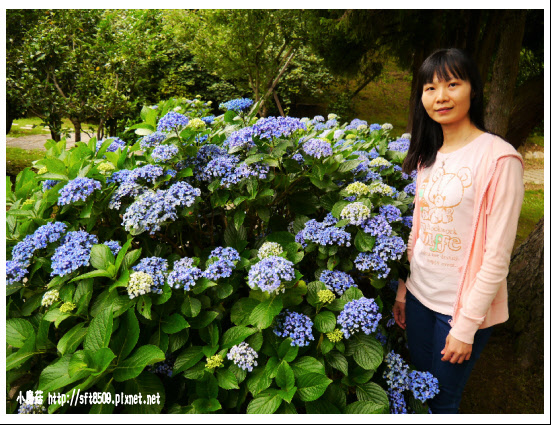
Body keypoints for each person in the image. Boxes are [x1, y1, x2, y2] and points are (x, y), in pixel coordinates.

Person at [392, 48, 524, 414]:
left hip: (460, 309)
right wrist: (404, 290)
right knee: (418, 386)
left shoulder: (499, 158)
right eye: (430, 88)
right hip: (419, 298)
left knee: (441, 399)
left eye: (452, 84)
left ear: (474, 90)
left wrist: (465, 328)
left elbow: (498, 257)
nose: (441, 97)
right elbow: (417, 232)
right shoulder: (427, 155)